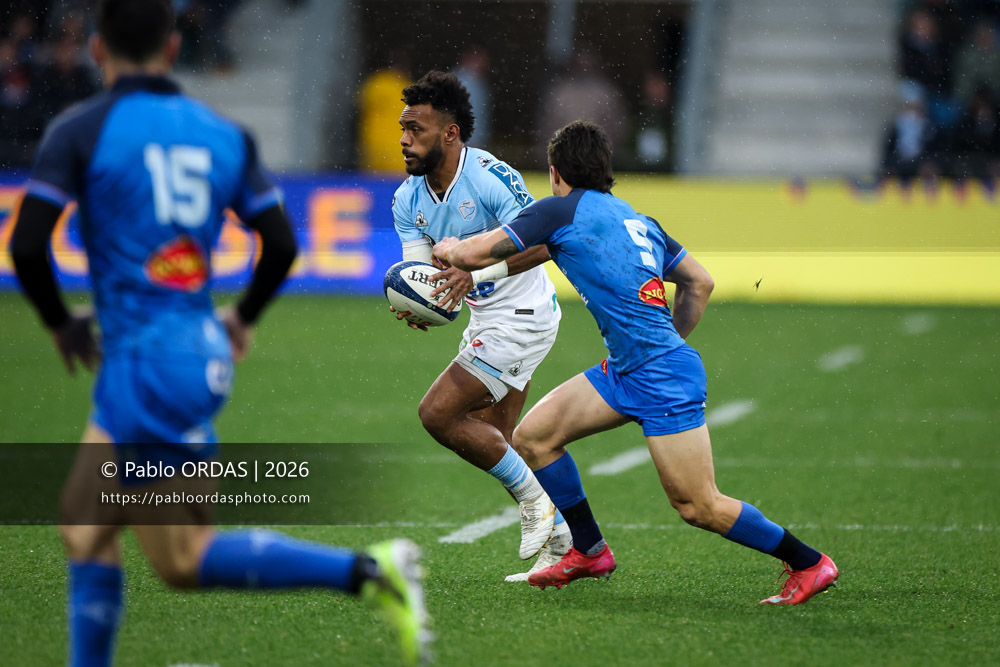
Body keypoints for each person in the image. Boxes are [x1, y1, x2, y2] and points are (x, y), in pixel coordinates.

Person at [8, 1, 428, 664]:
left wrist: (61, 324)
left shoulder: (82, 129)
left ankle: (370, 571)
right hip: (193, 350)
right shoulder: (219, 132)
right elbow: (281, 244)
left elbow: (28, 244)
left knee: (180, 557)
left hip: (143, 362)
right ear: (173, 50)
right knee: (84, 526)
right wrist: (242, 318)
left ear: (96, 50)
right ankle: (366, 572)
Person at [433, 120, 839, 605]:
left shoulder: (559, 210)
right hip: (630, 368)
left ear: (556, 170)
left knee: (698, 505)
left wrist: (449, 248)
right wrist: (664, 339)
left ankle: (809, 562)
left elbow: (477, 251)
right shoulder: (636, 218)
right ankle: (589, 551)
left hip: (661, 376)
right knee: (534, 437)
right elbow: (700, 282)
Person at [391, 70, 568, 580]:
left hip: (524, 316)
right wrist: (417, 302)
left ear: (450, 133)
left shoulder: (490, 177)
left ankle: (537, 508)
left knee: (438, 415)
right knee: (498, 438)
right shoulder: (407, 199)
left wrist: (475, 272)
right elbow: (421, 276)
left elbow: (543, 244)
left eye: (417, 129)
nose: (404, 139)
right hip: (488, 320)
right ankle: (568, 543)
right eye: (403, 127)